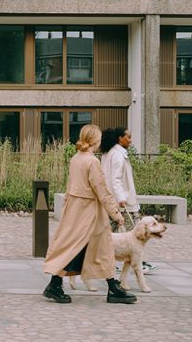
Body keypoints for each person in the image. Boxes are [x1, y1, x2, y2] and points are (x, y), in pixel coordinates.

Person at [42, 124, 137, 305]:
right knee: (101, 247)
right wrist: (116, 213)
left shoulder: (76, 158)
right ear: (95, 139)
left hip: (75, 209)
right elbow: (102, 190)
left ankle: (109, 286)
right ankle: (112, 288)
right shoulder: (92, 161)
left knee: (75, 246)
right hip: (89, 212)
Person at [100, 126, 156, 273]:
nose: (130, 140)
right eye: (128, 137)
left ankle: (107, 260)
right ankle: (138, 263)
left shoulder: (108, 153)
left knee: (108, 233)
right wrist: (122, 199)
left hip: (110, 200)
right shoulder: (118, 155)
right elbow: (116, 179)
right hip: (120, 202)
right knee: (134, 234)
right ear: (120, 138)